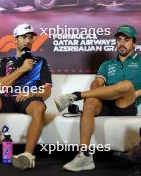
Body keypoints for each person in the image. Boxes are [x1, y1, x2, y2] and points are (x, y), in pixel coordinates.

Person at [54, 24, 141, 172]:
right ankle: (84, 156)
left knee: (125, 85)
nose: (121, 43)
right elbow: (97, 83)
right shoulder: (107, 65)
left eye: (126, 40)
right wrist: (95, 92)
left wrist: (134, 93)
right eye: (119, 39)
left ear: (134, 43)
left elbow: (129, 89)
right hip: (106, 102)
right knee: (90, 102)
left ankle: (76, 95)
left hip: (126, 103)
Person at [0, 23, 52, 170]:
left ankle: (27, 156)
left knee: (40, 107)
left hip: (28, 99)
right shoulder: (5, 61)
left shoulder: (41, 61)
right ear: (15, 40)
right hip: (7, 99)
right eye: (23, 37)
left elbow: (47, 92)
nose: (28, 40)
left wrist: (32, 92)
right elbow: (0, 85)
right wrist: (22, 69)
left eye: (30, 37)